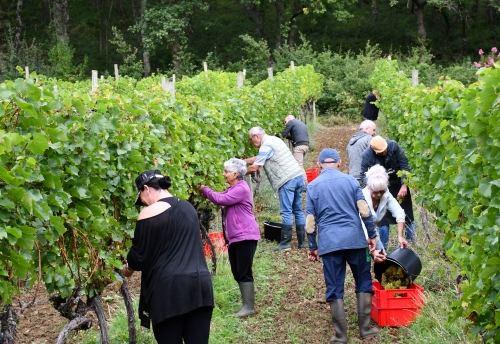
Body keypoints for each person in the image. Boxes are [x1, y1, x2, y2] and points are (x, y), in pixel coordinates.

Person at [123, 170, 214, 344]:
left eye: (141, 197)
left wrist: (126, 269)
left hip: (168, 292)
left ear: (147, 189)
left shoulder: (148, 213)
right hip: (200, 286)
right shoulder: (188, 208)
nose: (143, 203)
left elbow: (138, 257)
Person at [306, 148, 379, 343]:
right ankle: (364, 329)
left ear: (320, 165)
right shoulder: (351, 181)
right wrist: (372, 235)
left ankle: (341, 335)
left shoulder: (313, 186)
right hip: (355, 240)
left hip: (329, 244)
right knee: (363, 280)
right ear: (339, 163)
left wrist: (312, 246)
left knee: (334, 286)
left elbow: (311, 220)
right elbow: (364, 211)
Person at [199, 158, 261, 317]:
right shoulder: (232, 188)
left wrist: (204, 189)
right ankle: (246, 304)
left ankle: (249, 307)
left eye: (226, 171)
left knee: (244, 270)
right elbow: (221, 196)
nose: (224, 174)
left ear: (235, 173)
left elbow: (220, 199)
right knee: (237, 271)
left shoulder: (241, 188)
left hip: (246, 235)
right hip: (235, 237)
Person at [244, 126, 305, 250]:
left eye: (251, 139)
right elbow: (260, 158)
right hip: (297, 176)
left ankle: (285, 243)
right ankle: (301, 243)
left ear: (257, 136)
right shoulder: (273, 140)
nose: (251, 142)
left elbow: (256, 166)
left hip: (287, 180)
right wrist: (243, 161)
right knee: (297, 210)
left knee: (286, 211)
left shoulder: (266, 146)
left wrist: (237, 173)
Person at [360, 136, 416, 248]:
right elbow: (363, 174)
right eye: (382, 152)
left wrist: (404, 185)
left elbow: (404, 165)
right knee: (383, 220)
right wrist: (373, 187)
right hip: (379, 188)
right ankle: (382, 247)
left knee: (407, 215)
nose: (385, 152)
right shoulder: (367, 156)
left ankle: (412, 244)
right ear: (375, 151)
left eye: (386, 149)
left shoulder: (393, 146)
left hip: (398, 184)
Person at [363, 164, 409, 255]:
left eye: (382, 191)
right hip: (359, 235)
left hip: (373, 233)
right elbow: (362, 227)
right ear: (369, 187)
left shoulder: (386, 194)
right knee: (365, 263)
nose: (379, 195)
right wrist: (373, 252)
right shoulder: (363, 197)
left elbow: (399, 212)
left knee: (384, 260)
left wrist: (400, 236)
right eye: (376, 192)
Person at [277, 115, 309, 183]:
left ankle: (305, 183)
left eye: (285, 122)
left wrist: (276, 135)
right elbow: (295, 136)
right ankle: (302, 182)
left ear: (289, 119)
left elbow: (283, 134)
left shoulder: (291, 122)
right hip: (305, 146)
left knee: (298, 165)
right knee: (299, 163)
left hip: (299, 147)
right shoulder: (299, 123)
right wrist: (287, 137)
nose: (285, 124)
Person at [347, 120, 377, 187]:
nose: (375, 133)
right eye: (374, 130)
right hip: (364, 178)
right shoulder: (369, 139)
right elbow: (374, 159)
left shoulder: (350, 142)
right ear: (366, 128)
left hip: (351, 178)